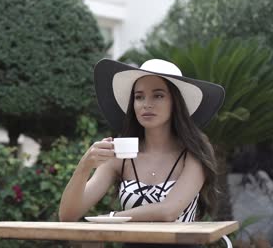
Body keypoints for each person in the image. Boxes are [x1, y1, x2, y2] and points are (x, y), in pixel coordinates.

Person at [59, 59, 225, 247]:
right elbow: (68, 215)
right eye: (139, 97)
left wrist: (111, 219)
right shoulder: (120, 156)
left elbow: (168, 211)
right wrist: (85, 165)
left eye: (158, 96)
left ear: (175, 103)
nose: (146, 104)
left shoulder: (195, 151)